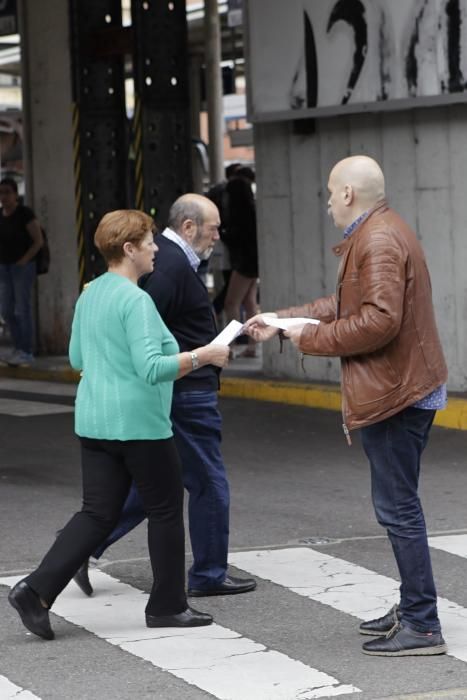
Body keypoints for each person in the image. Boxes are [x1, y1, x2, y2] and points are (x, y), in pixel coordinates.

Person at [246, 156, 448, 657]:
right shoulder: (378, 231)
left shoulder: (377, 241)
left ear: (349, 195)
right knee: (399, 505)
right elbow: (346, 305)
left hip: (397, 393)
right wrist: (283, 319)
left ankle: (422, 624)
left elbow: (378, 321)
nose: (327, 201)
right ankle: (413, 606)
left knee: (398, 509)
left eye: (330, 192)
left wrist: (310, 339)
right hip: (403, 387)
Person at [8, 209, 230, 640]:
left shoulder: (90, 294)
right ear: (128, 249)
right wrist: (204, 356)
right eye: (148, 242)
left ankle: (36, 591)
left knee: (96, 513)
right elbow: (152, 369)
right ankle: (167, 606)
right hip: (141, 425)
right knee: (166, 510)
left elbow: (76, 359)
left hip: (94, 421)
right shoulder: (136, 300)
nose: (154, 250)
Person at [73, 194, 256, 599]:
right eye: (213, 228)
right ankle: (208, 574)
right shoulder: (169, 266)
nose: (218, 236)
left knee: (156, 485)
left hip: (181, 388)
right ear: (189, 227)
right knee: (208, 482)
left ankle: (80, 549)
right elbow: (142, 331)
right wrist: (202, 355)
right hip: (186, 393)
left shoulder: (171, 262)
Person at [0, 178, 43, 367]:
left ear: (15, 195)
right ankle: (18, 347)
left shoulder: (24, 214)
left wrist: (24, 260)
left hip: (22, 267)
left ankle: (26, 351)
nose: (4, 197)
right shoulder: (0, 215)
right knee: (6, 310)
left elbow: (38, 241)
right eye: (1, 193)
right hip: (4, 267)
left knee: (22, 309)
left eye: (8, 192)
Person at [223, 171, 259, 357]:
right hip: (253, 264)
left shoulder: (239, 217)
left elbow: (234, 240)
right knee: (250, 303)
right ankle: (252, 345)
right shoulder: (253, 213)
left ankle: (230, 346)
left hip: (244, 265)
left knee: (231, 303)